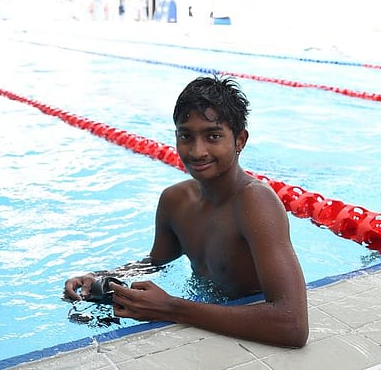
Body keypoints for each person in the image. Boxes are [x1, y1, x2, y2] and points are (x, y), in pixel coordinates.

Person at [63, 75, 308, 348]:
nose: (197, 151)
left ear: (240, 140)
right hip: (202, 318)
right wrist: (100, 277)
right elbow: (156, 261)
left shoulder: (255, 203)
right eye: (186, 136)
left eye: (213, 136)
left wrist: (170, 308)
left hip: (247, 332)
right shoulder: (174, 200)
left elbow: (292, 325)